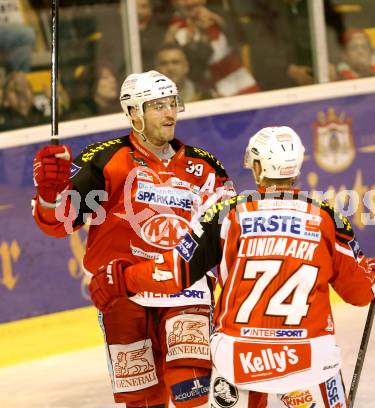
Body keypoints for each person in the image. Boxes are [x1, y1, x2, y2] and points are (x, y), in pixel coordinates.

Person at [89, 126, 375, 408]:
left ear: (260, 167)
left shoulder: (226, 213)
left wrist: (123, 278)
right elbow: (360, 292)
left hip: (240, 358)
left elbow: (172, 273)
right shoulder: (327, 216)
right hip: (307, 359)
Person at [32, 70, 234, 408]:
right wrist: (51, 195)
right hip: (123, 295)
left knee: (192, 393)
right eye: (157, 106)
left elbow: (227, 235)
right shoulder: (105, 160)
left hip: (186, 292)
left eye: (171, 103)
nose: (170, 113)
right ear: (133, 113)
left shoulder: (205, 167)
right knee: (144, 402)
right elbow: (59, 223)